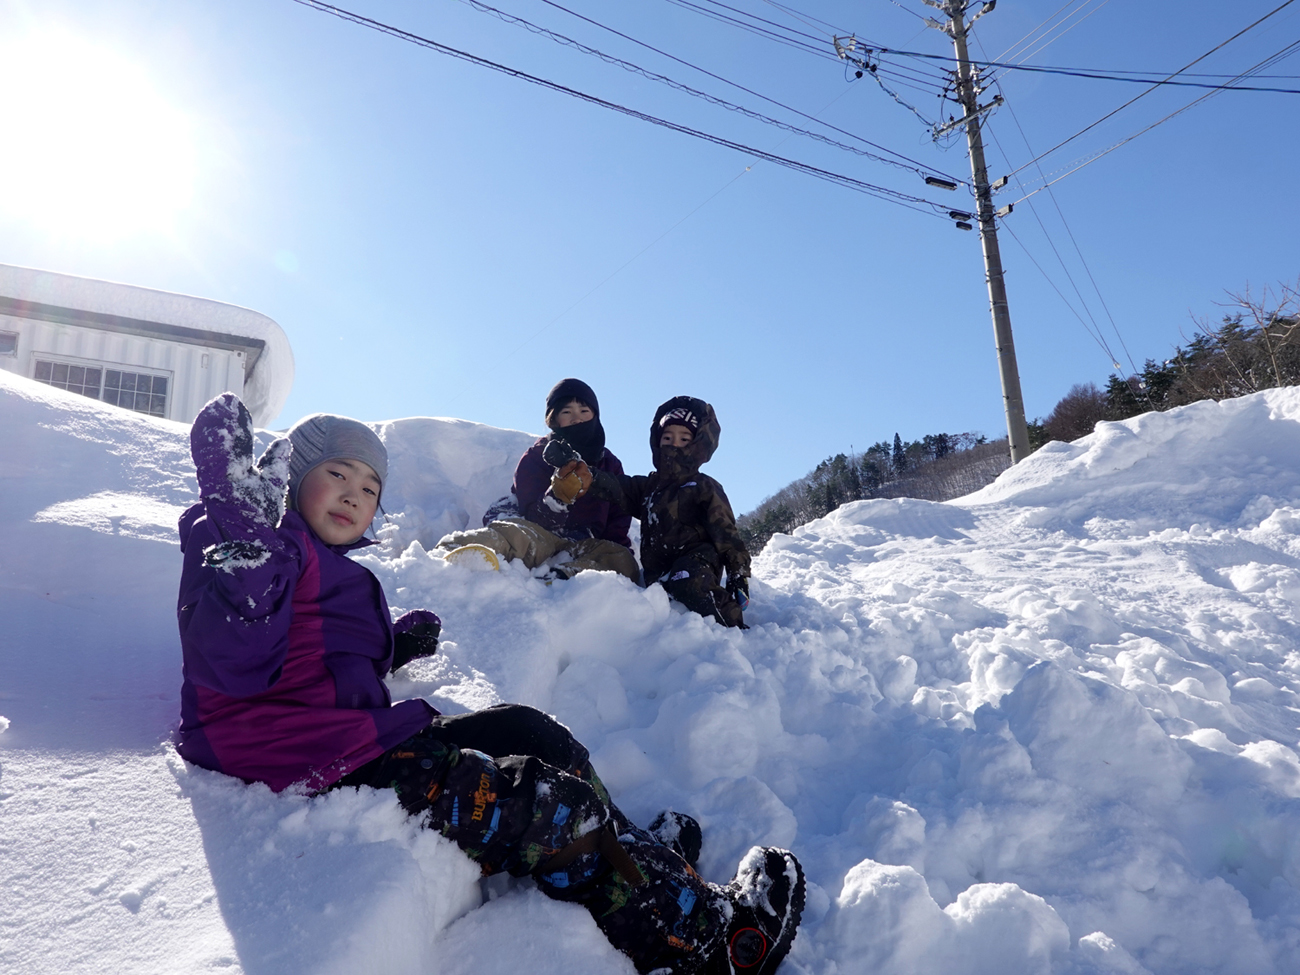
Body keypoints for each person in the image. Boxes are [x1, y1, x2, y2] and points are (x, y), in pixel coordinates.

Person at [176, 394, 803, 975]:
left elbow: (312, 649)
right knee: (552, 809)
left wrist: (391, 646)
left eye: (369, 486)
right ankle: (703, 942)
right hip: (304, 758)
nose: (353, 494)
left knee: (529, 731)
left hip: (347, 734)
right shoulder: (247, 556)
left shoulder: (315, 562)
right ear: (290, 481)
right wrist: (248, 558)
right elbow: (235, 661)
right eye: (337, 474)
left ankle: (641, 856)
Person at [547, 396, 751, 628]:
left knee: (688, 581)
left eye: (684, 439)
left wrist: (739, 572)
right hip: (659, 570)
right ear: (657, 441)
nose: (674, 443)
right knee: (656, 595)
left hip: (698, 561)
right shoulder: (649, 488)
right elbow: (614, 486)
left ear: (699, 444)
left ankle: (732, 624)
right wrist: (577, 467)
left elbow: (726, 533)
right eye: (667, 437)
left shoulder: (704, 487)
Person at [435, 378, 639, 582]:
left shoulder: (610, 465)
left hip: (582, 544)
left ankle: (564, 577)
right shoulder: (538, 455)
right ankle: (459, 550)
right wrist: (557, 499)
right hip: (540, 533)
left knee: (620, 558)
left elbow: (617, 520)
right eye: (567, 412)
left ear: (595, 416)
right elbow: (530, 513)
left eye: (584, 411)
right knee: (515, 537)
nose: (577, 418)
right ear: (554, 419)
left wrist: (617, 554)